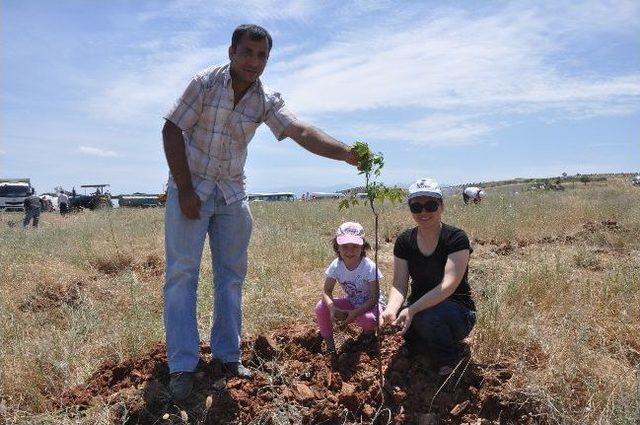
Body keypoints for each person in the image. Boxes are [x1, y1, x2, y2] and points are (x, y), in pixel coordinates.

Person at [162, 24, 359, 400]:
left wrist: (346, 154)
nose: (254, 61)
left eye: (262, 55)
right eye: (247, 52)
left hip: (232, 193)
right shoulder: (204, 84)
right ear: (231, 52)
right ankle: (182, 365)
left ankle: (227, 356)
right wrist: (185, 189)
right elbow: (172, 129)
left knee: (231, 276)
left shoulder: (265, 98)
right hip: (192, 187)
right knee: (182, 275)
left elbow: (300, 130)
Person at [381, 178, 476, 376]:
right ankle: (422, 350)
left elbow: (448, 286)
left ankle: (448, 362)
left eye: (430, 205)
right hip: (419, 308)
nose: (423, 212)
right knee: (409, 322)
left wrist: (412, 309)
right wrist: (391, 309)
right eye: (416, 206)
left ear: (441, 206)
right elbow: (399, 284)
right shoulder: (405, 241)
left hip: (457, 310)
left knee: (427, 317)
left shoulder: (456, 238)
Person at [315, 222, 384, 356]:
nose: (349, 251)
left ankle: (368, 338)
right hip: (352, 301)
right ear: (337, 246)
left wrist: (355, 313)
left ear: (362, 246)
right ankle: (330, 347)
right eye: (344, 246)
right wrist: (332, 308)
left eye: (355, 246)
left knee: (368, 320)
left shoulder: (369, 267)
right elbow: (327, 291)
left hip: (371, 305)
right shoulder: (336, 265)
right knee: (320, 307)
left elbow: (374, 297)